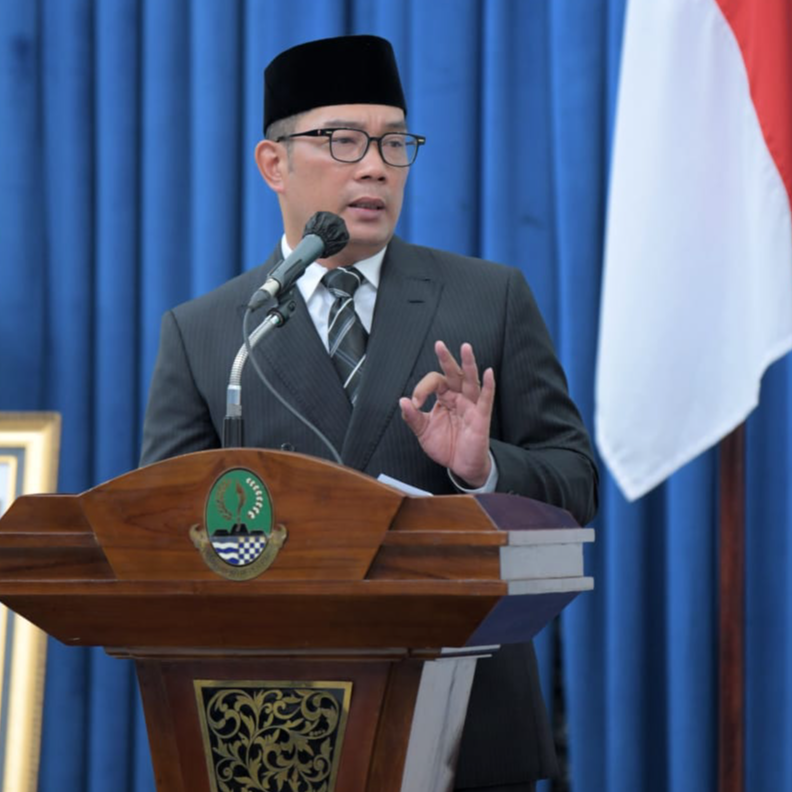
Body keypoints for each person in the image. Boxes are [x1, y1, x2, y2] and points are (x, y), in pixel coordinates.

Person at [140, 34, 598, 792]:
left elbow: (575, 483)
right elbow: (162, 536)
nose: (376, 166)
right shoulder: (212, 332)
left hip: (464, 724)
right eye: (343, 141)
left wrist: (482, 469)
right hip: (278, 725)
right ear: (274, 164)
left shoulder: (488, 299)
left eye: (393, 143)